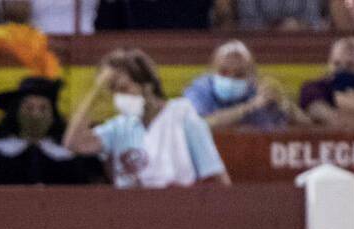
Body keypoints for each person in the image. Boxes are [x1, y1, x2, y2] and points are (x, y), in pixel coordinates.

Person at [64, 48, 230, 188]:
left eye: (123, 88)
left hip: (177, 206)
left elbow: (215, 174)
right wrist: (97, 90)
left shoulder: (183, 115)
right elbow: (73, 143)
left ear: (147, 85)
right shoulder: (120, 126)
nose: (119, 97)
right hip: (130, 209)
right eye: (113, 91)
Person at [0, 77, 108, 184]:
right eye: (29, 108)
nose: (36, 115)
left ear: (53, 115)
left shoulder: (73, 156)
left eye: (43, 108)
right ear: (16, 113)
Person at [185, 40, 315, 130]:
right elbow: (201, 125)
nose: (230, 78)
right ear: (212, 70)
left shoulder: (257, 90)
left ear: (251, 76)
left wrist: (285, 104)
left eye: (239, 74)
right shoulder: (199, 89)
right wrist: (249, 107)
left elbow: (308, 127)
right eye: (224, 72)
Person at [213, 0, 325, 29]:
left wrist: (299, 25)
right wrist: (273, 27)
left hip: (298, 43)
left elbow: (314, 22)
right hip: (258, 45)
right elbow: (247, 22)